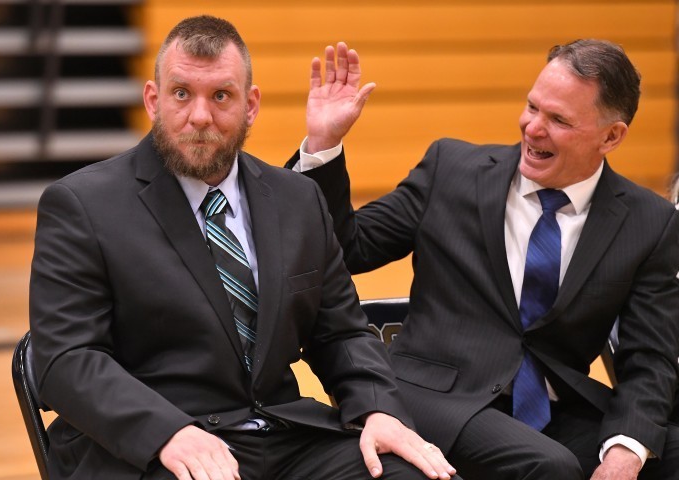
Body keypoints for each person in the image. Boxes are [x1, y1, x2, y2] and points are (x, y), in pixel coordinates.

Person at [28, 15, 459, 480]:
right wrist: (167, 431)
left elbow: (342, 333)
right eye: (181, 93)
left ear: (250, 106)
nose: (200, 116)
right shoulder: (82, 204)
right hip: (157, 445)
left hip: (283, 435)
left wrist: (379, 409)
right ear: (153, 100)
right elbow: (67, 360)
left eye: (220, 96)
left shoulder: (297, 198)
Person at [289, 39, 679, 479]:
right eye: (533, 107)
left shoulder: (650, 222)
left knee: (667, 452)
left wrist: (625, 451)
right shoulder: (451, 169)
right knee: (551, 467)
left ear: (612, 136)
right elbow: (347, 248)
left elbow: (650, 358)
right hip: (436, 393)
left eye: (558, 120)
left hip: (554, 407)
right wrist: (324, 144)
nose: (533, 128)